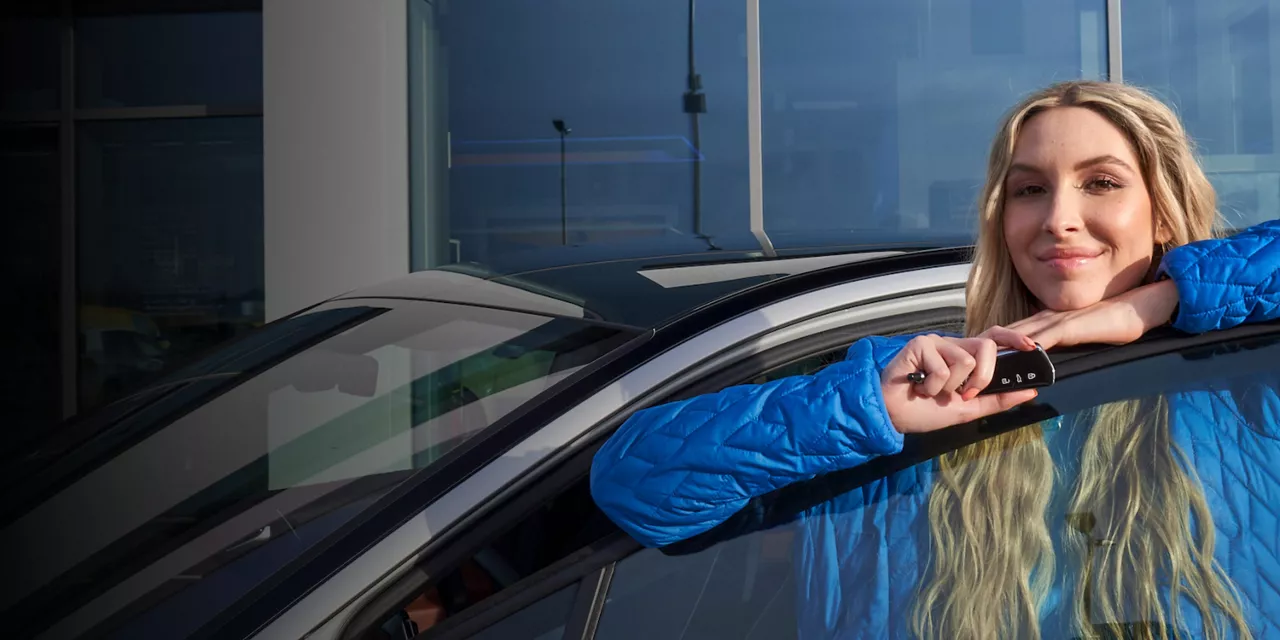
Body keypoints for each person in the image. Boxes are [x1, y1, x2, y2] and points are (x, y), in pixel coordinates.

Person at [590, 80, 1280, 639]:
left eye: (1101, 182)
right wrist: (867, 410)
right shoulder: (915, 389)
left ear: (1162, 213)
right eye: (1029, 189)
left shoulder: (1243, 381)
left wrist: (1158, 303)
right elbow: (635, 486)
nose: (1058, 218)